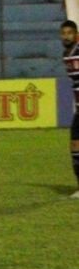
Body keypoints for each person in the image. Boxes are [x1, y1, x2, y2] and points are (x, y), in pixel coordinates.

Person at [60, 20, 79, 198]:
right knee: (75, 145)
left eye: (69, 33)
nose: (66, 36)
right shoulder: (66, 54)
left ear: (76, 35)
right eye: (63, 33)